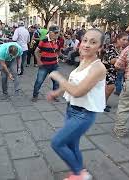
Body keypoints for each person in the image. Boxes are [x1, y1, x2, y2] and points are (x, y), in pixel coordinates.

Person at [48, 28, 106, 180]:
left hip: (84, 114)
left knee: (57, 143)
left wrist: (58, 77)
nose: (86, 45)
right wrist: (57, 92)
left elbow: (78, 91)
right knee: (72, 145)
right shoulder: (84, 61)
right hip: (71, 110)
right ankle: (78, 173)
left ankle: (80, 173)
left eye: (93, 42)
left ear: (100, 47)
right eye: (85, 40)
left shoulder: (98, 67)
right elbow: (73, 82)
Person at [101, 32, 129, 112]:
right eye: (123, 39)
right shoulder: (111, 47)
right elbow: (112, 60)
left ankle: (103, 103)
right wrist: (123, 58)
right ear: (118, 39)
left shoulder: (121, 49)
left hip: (114, 71)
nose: (125, 41)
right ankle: (102, 104)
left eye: (126, 40)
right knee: (110, 87)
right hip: (107, 70)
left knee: (108, 88)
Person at [31, 25, 60, 102]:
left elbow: (57, 50)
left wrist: (59, 57)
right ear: (50, 32)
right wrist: (38, 61)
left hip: (54, 65)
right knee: (39, 81)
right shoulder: (43, 40)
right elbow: (36, 51)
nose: (57, 34)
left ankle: (54, 96)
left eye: (58, 33)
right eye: (56, 33)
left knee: (56, 82)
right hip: (44, 65)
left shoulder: (58, 40)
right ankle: (35, 95)